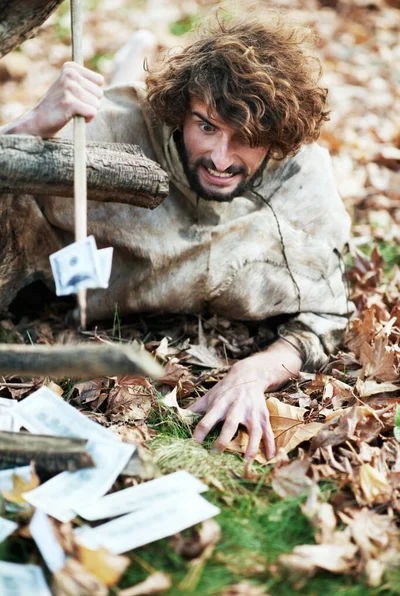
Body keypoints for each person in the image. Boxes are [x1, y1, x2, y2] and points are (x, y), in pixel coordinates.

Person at [0, 12, 353, 461]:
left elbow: (328, 313)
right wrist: (30, 127)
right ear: (179, 111)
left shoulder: (301, 179)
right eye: (206, 126)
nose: (221, 159)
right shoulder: (110, 128)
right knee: (114, 97)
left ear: (279, 136)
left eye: (246, 137)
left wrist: (256, 370)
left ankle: (134, 56)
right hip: (86, 253)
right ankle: (130, 61)